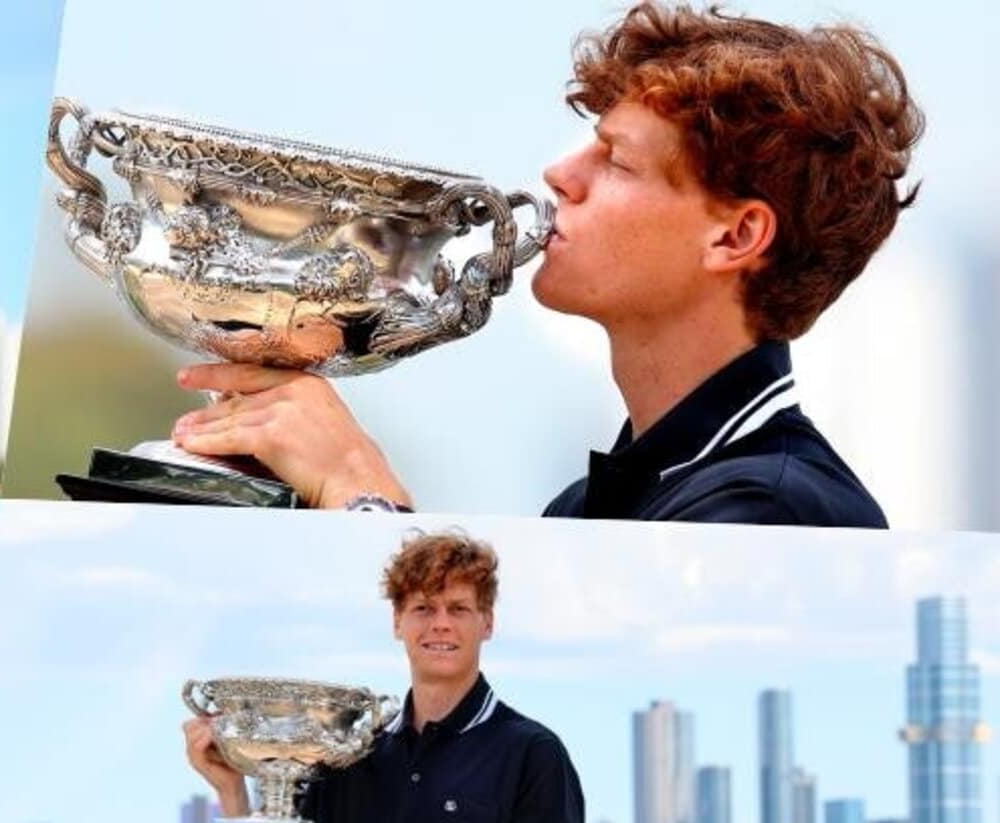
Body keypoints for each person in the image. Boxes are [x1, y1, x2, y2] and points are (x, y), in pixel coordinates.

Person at [169, 2, 919, 527]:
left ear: (735, 237)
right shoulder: (589, 506)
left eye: (616, 161)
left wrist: (358, 492)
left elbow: (552, 695)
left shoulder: (774, 510)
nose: (561, 175)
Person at [184, 530, 583, 823]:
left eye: (458, 608)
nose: (440, 624)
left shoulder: (532, 754)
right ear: (397, 622)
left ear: (487, 623)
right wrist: (232, 789)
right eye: (423, 608)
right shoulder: (348, 753)